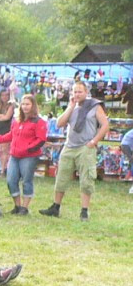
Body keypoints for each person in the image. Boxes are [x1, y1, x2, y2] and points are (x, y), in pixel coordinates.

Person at [40, 80, 109, 221]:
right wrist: (70, 106)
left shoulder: (94, 106)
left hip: (85, 147)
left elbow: (105, 125)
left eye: (80, 92)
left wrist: (94, 141)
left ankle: (84, 211)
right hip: (69, 146)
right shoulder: (72, 106)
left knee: (86, 179)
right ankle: (55, 207)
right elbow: (59, 124)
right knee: (61, 176)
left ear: (86, 92)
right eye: (75, 91)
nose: (77, 94)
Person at [0, 94, 47, 215]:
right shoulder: (17, 121)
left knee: (27, 181)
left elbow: (41, 139)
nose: (25, 107)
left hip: (29, 156)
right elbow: (11, 135)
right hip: (15, 156)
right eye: (23, 104)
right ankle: (17, 206)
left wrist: (28, 149)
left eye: (28, 104)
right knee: (11, 180)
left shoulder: (39, 122)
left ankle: (24, 208)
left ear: (33, 106)